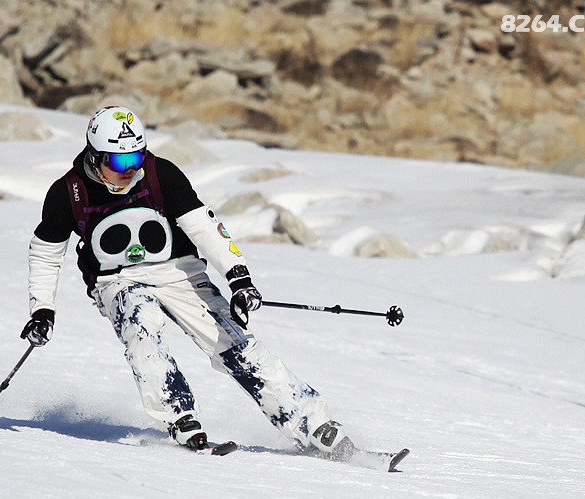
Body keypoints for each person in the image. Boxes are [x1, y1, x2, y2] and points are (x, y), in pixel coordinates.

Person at [21, 106, 351, 457]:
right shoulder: (68, 193)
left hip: (179, 270)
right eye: (118, 163)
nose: (129, 170)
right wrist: (42, 310)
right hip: (115, 280)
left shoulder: (160, 174)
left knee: (235, 344)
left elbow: (204, 227)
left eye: (135, 157)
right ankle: (179, 416)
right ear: (94, 154)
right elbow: (45, 253)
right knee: (140, 322)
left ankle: (310, 422)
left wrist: (239, 279)